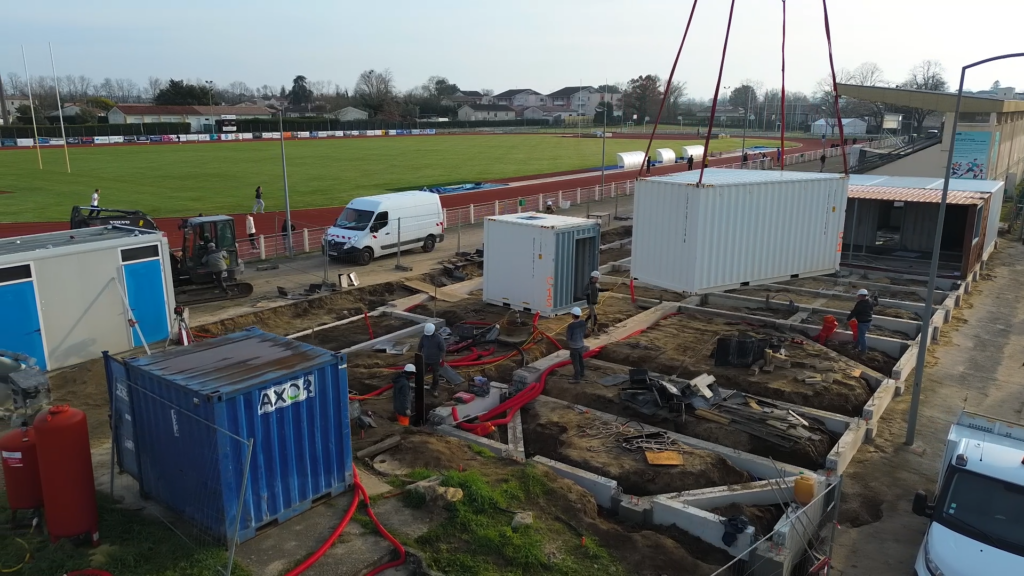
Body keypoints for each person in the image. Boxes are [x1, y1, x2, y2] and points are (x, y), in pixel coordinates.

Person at [417, 323, 446, 397]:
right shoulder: (424, 337)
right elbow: (420, 346)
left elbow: (443, 350)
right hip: (425, 359)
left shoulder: (439, 338)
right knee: (421, 373)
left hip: (435, 360)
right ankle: (419, 387)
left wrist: (442, 360)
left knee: (436, 375)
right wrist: (418, 356)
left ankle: (434, 389)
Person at [847, 289, 874, 355]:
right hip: (869, 321)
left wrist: (848, 319)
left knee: (862, 337)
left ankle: (863, 351)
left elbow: (854, 312)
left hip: (863, 322)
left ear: (862, 296)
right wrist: (876, 297)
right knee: (860, 334)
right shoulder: (870, 301)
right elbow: (875, 304)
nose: (858, 297)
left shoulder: (860, 304)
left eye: (858, 295)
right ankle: (856, 346)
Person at [565, 307, 587, 382]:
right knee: (580, 360)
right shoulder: (583, 323)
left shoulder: (571, 326)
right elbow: (585, 333)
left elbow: (568, 337)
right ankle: (582, 373)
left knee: (575, 362)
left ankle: (576, 378)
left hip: (574, 347)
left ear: (573, 315)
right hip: (581, 345)